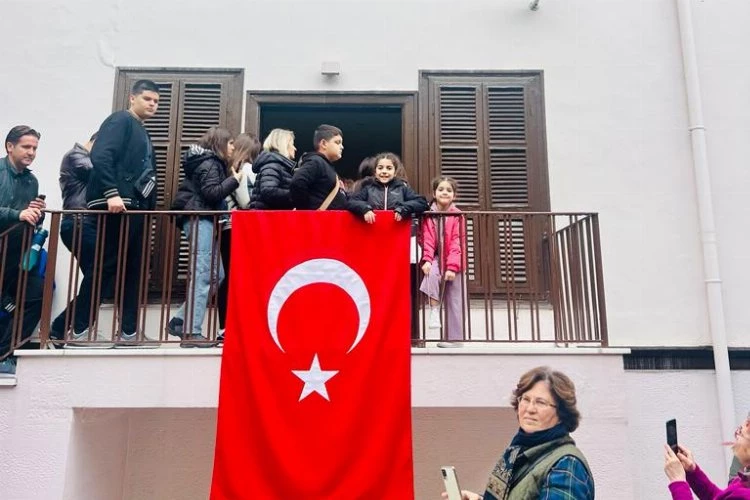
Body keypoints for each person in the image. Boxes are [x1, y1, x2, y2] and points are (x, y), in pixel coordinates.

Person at [446, 367, 594, 500]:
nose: (530, 409)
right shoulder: (518, 451)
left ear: (561, 413)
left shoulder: (566, 465)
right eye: (526, 399)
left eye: (541, 402)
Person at [86, 79, 159, 345]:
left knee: (133, 270)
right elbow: (100, 155)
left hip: (135, 209)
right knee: (105, 267)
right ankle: (77, 328)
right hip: (118, 206)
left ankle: (128, 332)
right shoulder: (120, 120)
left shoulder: (141, 130)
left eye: (156, 101)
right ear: (132, 98)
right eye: (147, 99)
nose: (152, 104)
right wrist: (111, 193)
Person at [168, 126, 240, 347]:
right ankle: (192, 332)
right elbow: (212, 193)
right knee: (204, 273)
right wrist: (234, 180)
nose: (233, 147)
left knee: (216, 274)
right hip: (200, 218)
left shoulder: (208, 162)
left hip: (203, 218)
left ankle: (180, 320)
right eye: (230, 143)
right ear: (220, 143)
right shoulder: (210, 163)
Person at [0, 126, 46, 374]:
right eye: (26, 147)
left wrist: (37, 214)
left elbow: (28, 218)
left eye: (35, 148)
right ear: (10, 147)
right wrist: (17, 214)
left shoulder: (31, 180)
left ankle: (4, 355)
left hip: (16, 255)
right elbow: (17, 214)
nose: (31, 152)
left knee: (37, 295)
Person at [49, 132, 101, 344]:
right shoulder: (76, 156)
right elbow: (100, 174)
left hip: (85, 224)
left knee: (98, 279)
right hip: (80, 223)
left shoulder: (82, 157)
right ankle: (76, 328)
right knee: (99, 277)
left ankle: (63, 327)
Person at [216, 132, 261, 341]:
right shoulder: (245, 169)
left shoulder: (228, 169)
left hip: (226, 227)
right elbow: (246, 201)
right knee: (237, 277)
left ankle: (225, 326)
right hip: (238, 228)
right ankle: (230, 327)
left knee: (228, 277)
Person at [419, 176, 466, 345]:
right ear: (434, 193)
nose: (444, 192)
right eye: (440, 189)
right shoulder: (429, 214)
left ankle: (455, 339)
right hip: (436, 257)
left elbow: (456, 242)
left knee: (455, 299)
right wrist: (427, 259)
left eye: (448, 190)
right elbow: (427, 239)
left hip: (454, 258)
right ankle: (434, 311)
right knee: (430, 274)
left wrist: (452, 267)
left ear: (454, 195)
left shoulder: (457, 215)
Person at [664, 414, 750, 499]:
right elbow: (719, 497)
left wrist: (678, 482)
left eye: (740, 433)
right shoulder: (745, 481)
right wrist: (692, 472)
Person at [346, 152, 427, 224]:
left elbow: (421, 202)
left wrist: (403, 208)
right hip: (372, 230)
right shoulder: (368, 188)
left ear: (395, 173)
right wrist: (365, 209)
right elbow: (352, 202)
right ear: (375, 172)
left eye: (389, 168)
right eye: (380, 168)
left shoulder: (402, 188)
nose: (384, 171)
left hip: (396, 231)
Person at [289, 124, 347, 210]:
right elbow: (297, 182)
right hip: (318, 218)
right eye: (337, 142)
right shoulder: (316, 162)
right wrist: (305, 211)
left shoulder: (323, 164)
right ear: (323, 143)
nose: (342, 147)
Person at [249, 128, 297, 210]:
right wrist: (294, 195)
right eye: (292, 144)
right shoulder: (273, 165)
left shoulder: (276, 164)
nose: (295, 148)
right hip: (266, 217)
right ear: (283, 145)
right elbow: (268, 191)